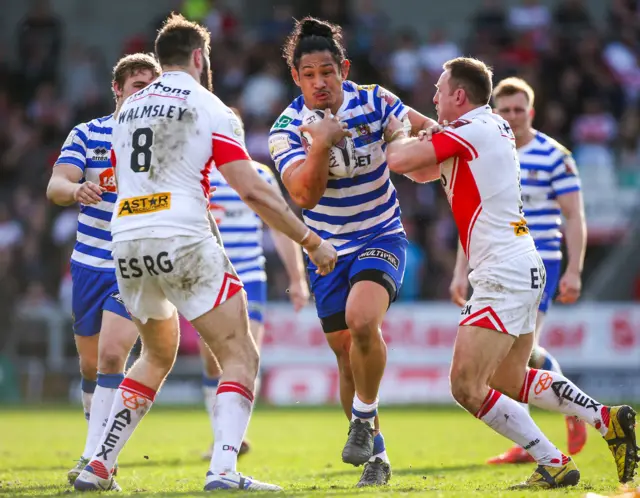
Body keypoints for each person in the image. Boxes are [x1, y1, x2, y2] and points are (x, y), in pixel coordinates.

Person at [73, 13, 336, 492]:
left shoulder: (128, 110)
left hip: (128, 243)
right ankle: (224, 470)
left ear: (160, 60)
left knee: (156, 354)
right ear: (199, 58)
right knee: (240, 355)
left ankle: (98, 463)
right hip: (181, 237)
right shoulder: (209, 105)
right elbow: (251, 190)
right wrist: (311, 242)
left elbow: (127, 176)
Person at [384, 57, 638, 489]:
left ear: (459, 96)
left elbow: (399, 160)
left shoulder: (471, 130)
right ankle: (606, 418)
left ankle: (553, 460)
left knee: (466, 385)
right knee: (510, 380)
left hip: (503, 271)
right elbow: (426, 169)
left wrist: (392, 122)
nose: (434, 97)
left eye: (440, 91)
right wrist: (426, 132)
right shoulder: (488, 128)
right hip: (521, 263)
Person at [269, 17, 437, 487]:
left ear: (343, 68)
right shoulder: (286, 130)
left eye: (328, 71)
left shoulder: (377, 100)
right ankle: (375, 457)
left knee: (364, 320)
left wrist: (425, 138)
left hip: (381, 234)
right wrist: (321, 145)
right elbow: (304, 195)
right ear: (296, 79)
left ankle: (361, 419)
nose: (320, 82)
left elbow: (420, 127)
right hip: (326, 250)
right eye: (309, 75)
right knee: (346, 355)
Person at [449, 77, 588, 465]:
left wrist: (574, 269)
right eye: (504, 110)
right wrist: (462, 270)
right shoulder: (488, 147)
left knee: (513, 359)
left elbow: (574, 216)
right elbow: (472, 218)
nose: (512, 116)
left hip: (538, 258)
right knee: (513, 359)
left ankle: (560, 420)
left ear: (532, 111)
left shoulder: (553, 155)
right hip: (493, 259)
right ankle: (543, 432)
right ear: (495, 112)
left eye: (518, 110)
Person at [46, 53, 161, 486]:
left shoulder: (161, 140)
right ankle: (97, 457)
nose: (144, 94)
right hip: (88, 263)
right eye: (137, 86)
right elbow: (56, 186)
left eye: (152, 87)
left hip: (135, 263)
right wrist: (77, 188)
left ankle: (96, 458)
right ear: (118, 88)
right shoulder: (88, 134)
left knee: (116, 353)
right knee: (92, 365)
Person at [200, 109, 309, 459]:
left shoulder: (259, 175)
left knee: (247, 354)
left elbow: (279, 226)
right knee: (212, 363)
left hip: (248, 278)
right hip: (207, 277)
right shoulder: (198, 176)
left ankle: (231, 439)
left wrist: (297, 278)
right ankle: (222, 434)